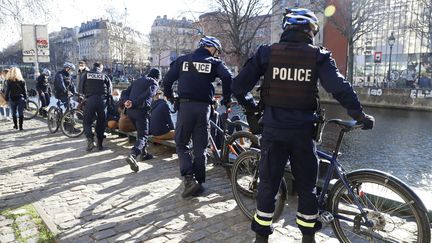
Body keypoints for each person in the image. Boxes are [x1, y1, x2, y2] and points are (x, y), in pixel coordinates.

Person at [231, 8, 375, 243]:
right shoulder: (318, 56)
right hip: (303, 133)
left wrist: (252, 109)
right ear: (311, 31)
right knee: (307, 187)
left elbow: (238, 86)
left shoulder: (266, 53)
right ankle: (308, 237)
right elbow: (339, 87)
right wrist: (359, 114)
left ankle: (261, 237)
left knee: (268, 184)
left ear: (287, 28)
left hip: (273, 130)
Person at [163, 36, 233, 198]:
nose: (217, 54)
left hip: (186, 106)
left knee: (181, 143)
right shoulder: (213, 62)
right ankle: (200, 182)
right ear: (212, 48)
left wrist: (170, 96)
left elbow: (167, 80)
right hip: (204, 108)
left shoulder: (183, 60)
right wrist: (227, 99)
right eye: (217, 51)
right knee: (200, 146)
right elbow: (228, 76)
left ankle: (189, 180)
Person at [123, 68, 160, 172]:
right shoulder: (154, 83)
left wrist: (126, 101)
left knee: (140, 133)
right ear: (157, 77)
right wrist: (134, 103)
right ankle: (133, 154)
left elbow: (125, 92)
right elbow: (149, 94)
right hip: (141, 111)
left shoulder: (138, 80)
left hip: (130, 112)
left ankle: (144, 153)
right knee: (143, 136)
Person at [80, 62, 112, 152]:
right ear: (100, 68)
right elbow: (110, 90)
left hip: (90, 100)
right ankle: (100, 145)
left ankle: (90, 141)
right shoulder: (104, 76)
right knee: (101, 122)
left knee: (87, 121)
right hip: (102, 101)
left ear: (93, 67)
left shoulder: (86, 75)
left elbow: (80, 89)